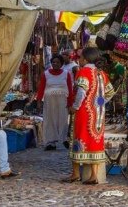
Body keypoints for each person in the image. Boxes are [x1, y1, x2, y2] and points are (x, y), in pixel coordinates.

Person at [62, 47, 116, 185]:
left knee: (77, 138)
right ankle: (93, 175)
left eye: (80, 58)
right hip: (98, 113)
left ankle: (75, 173)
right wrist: (99, 102)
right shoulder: (101, 73)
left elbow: (81, 92)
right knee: (95, 141)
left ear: (85, 59)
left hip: (84, 113)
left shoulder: (84, 72)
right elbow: (110, 92)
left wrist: (75, 107)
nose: (79, 60)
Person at [32, 54, 73, 151]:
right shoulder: (46, 74)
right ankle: (51, 143)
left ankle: (64, 139)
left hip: (63, 101)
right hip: (49, 102)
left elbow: (70, 89)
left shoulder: (66, 73)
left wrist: (70, 102)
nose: (55, 64)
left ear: (61, 64)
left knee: (63, 121)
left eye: (57, 62)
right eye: (53, 62)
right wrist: (38, 101)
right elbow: (41, 88)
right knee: (50, 121)